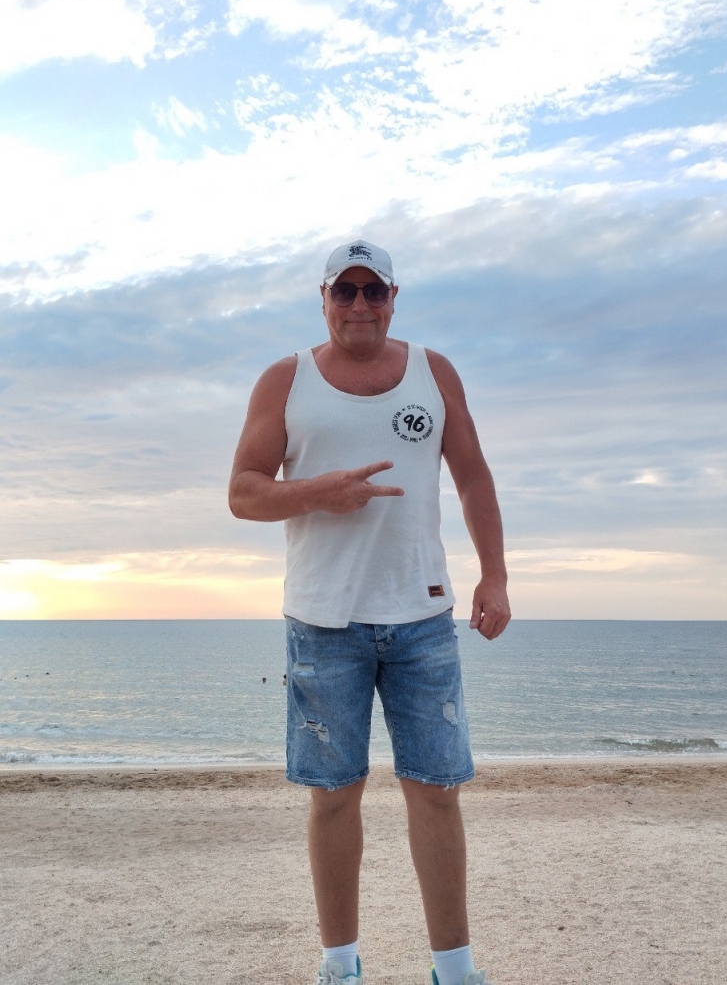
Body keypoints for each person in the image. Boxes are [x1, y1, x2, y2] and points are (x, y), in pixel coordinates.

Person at [229, 239, 510, 985]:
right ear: (323, 299)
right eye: (345, 291)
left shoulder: (433, 372)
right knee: (332, 797)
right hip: (323, 622)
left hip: (422, 617)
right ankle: (340, 966)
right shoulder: (285, 380)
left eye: (373, 290)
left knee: (437, 793)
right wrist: (318, 492)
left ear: (393, 298)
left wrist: (494, 576)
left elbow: (474, 477)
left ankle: (455, 970)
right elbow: (244, 491)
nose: (360, 304)